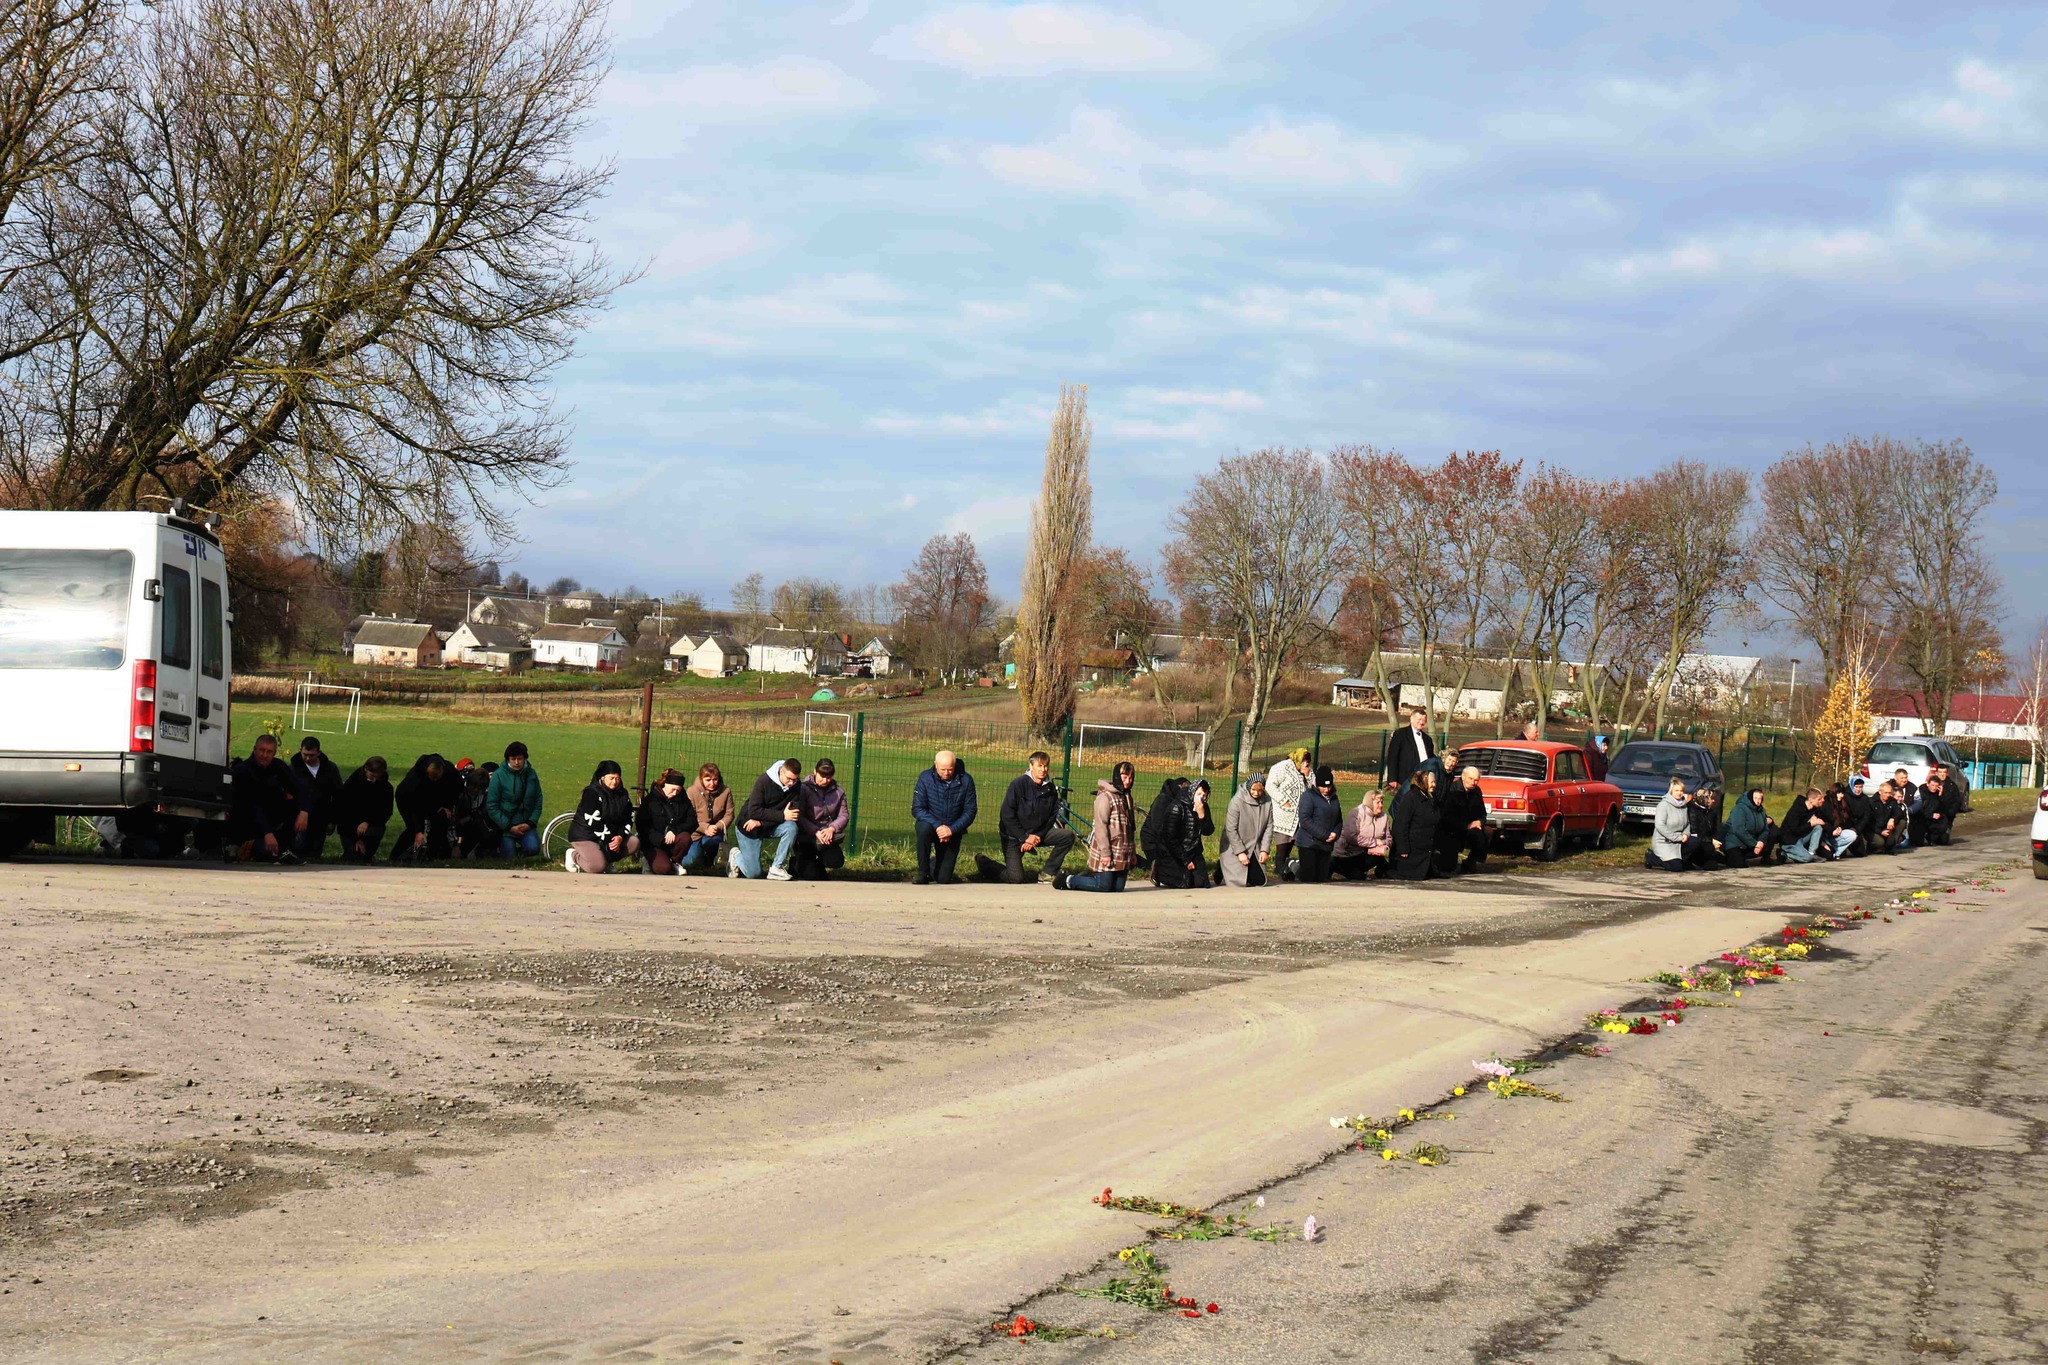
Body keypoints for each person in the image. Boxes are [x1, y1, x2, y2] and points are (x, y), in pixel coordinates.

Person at [977, 751, 1076, 885]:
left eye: (1046, 766)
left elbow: (1051, 817)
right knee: (1015, 878)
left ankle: (1048, 873)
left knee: (1067, 836)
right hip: (1013, 836)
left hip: (1037, 835)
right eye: (1039, 766)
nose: (1043, 769)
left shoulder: (1050, 789)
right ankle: (985, 864)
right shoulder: (1018, 784)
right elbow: (1007, 815)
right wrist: (1024, 837)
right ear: (1031, 766)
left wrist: (1037, 836)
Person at [228, 734, 310, 864]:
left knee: (297, 805)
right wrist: (267, 833)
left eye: (269, 752)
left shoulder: (278, 766)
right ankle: (243, 847)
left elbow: (301, 789)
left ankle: (283, 848)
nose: (264, 755)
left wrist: (304, 811)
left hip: (272, 821)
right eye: (262, 750)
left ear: (274, 753)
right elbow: (250, 805)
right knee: (264, 852)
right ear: (254, 749)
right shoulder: (242, 771)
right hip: (249, 823)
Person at [1061, 762, 1136, 892]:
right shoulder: (1105, 797)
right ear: (1117, 777)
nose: (1128, 781)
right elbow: (1100, 827)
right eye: (1124, 777)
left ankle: (1087, 877)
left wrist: (1132, 852)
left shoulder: (1127, 797)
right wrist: (1105, 853)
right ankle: (1069, 880)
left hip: (1122, 850)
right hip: (1107, 848)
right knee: (1104, 886)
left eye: (1130, 778)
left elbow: (1131, 827)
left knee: (1118, 888)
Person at [911, 750, 977, 885]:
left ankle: (935, 864)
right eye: (943, 769)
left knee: (943, 879)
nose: (946, 773)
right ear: (936, 765)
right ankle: (923, 872)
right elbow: (917, 808)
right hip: (931, 825)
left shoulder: (966, 780)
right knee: (923, 828)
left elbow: (970, 811)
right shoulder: (925, 778)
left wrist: (951, 830)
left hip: (953, 829)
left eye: (950, 769)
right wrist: (938, 826)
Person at [733, 758, 801, 881]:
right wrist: (781, 816)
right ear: (781, 771)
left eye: (795, 779)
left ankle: (777, 867)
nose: (792, 782)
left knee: (791, 827)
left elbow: (792, 815)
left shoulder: (796, 785)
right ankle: (735, 855)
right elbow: (754, 811)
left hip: (765, 824)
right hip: (749, 826)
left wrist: (761, 822)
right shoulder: (763, 781)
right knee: (753, 873)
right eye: (789, 779)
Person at [567, 759, 638, 873]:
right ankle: (573, 855)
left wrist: (620, 837)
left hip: (610, 837)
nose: (615, 782)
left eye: (617, 778)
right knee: (597, 867)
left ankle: (606, 862)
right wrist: (611, 840)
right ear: (602, 777)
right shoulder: (591, 793)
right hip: (585, 835)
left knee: (634, 842)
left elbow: (628, 817)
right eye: (611, 778)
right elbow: (593, 821)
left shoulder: (623, 794)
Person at [1143, 777, 1212, 889]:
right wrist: (1186, 861)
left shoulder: (1204, 807)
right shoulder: (1177, 806)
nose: (1201, 798)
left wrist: (1202, 816)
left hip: (1192, 849)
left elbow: (1208, 831)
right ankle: (1159, 871)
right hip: (1172, 851)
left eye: (1204, 796)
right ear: (1192, 792)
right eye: (1199, 794)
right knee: (1183, 882)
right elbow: (1170, 838)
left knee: (1201, 882)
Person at [393, 753, 460, 863]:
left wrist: (447, 805)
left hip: (435, 800)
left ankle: (432, 854)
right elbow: (414, 807)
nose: (435, 780)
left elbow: (457, 789)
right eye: (432, 778)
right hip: (409, 801)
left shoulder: (450, 772)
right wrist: (418, 830)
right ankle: (396, 856)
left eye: (437, 778)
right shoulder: (414, 780)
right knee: (412, 829)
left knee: (442, 820)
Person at [636, 768, 701, 875]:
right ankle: (649, 861)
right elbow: (642, 825)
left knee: (685, 838)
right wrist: (660, 839)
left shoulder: (684, 801)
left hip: (674, 840)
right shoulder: (650, 800)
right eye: (673, 789)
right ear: (664, 784)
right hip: (654, 843)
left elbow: (692, 822)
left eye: (678, 790)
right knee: (663, 869)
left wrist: (674, 830)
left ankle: (675, 861)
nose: (675, 793)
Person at [793, 758, 849, 880]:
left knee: (836, 861)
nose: (825, 780)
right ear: (815, 772)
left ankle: (818, 866)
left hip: (827, 836)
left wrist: (832, 829)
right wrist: (815, 831)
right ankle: (796, 863)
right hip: (807, 836)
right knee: (810, 874)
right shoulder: (803, 789)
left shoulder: (839, 792)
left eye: (828, 777)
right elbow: (799, 816)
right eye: (822, 776)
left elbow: (844, 815)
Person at [486, 741, 544, 859]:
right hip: (506, 826)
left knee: (533, 848)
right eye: (513, 759)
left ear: (525, 759)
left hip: (526, 824)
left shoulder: (532, 775)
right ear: (508, 759)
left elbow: (538, 799)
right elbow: (492, 805)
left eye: (519, 759)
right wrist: (508, 827)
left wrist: (530, 822)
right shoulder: (498, 776)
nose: (516, 762)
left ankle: (519, 852)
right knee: (509, 857)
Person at [289, 736, 342, 860]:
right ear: (300, 751)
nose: (308, 758)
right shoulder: (293, 769)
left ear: (319, 752)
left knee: (314, 854)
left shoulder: (330, 769)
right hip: (299, 817)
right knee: (298, 849)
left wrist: (333, 819)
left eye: (311, 755)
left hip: (321, 817)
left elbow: (338, 795)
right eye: (305, 755)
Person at [1434, 761, 1490, 876]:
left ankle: (1471, 861)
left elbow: (1482, 813)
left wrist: (1479, 822)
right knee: (1449, 867)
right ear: (1463, 777)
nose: (1473, 782)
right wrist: (1466, 826)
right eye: (1471, 778)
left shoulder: (1476, 791)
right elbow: (1447, 816)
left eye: (1476, 780)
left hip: (1470, 826)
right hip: (1452, 829)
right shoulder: (1453, 790)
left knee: (1487, 832)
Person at [1218, 775, 1273, 887]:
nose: (1256, 793)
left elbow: (1269, 827)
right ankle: (1221, 866)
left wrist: (1264, 850)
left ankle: (1222, 867)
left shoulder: (1268, 801)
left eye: (1260, 790)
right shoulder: (1236, 801)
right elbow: (1231, 829)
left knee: (1259, 881)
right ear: (1248, 787)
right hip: (1235, 845)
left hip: (1255, 847)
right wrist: (1240, 852)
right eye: (1253, 789)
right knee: (1239, 882)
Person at [1264, 749, 1311, 881]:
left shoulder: (1308, 771)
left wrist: (1307, 776)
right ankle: (1280, 868)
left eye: (1308, 762)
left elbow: (1313, 787)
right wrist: (1283, 800)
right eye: (1304, 761)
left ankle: (1287, 867)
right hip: (1284, 812)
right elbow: (1270, 785)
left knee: (1295, 841)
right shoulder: (1281, 767)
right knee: (1283, 843)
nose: (1306, 764)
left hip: (1300, 815)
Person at [336, 757, 393, 864]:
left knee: (367, 851)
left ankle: (368, 854)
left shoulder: (386, 787)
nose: (374, 779)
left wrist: (368, 822)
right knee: (355, 858)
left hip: (372, 826)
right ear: (366, 769)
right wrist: (355, 838)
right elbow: (344, 812)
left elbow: (385, 811)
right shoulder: (352, 784)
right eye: (372, 775)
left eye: (377, 776)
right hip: (349, 827)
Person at [1293, 766, 1342, 883]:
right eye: (1323, 787)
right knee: (1309, 878)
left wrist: (1336, 833)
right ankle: (1292, 865)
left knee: (1321, 878)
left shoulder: (1334, 798)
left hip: (1326, 845)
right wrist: (1324, 835)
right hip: (1309, 843)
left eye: (1329, 786)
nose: (1327, 789)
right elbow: (1304, 819)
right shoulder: (1308, 796)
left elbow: (1339, 819)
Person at [1331, 787, 1393, 880]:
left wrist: (1383, 845)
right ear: (1370, 803)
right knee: (1357, 876)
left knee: (1382, 862)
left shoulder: (1384, 817)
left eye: (1382, 802)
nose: (1381, 805)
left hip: (1368, 853)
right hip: (1348, 854)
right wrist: (1375, 842)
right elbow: (1351, 837)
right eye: (1377, 803)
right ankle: (1334, 866)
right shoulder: (1356, 813)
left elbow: (1389, 839)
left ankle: (1380, 872)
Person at [682, 763, 734, 872]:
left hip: (715, 832)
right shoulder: (691, 792)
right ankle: (699, 858)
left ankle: (711, 860)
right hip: (695, 832)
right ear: (701, 779)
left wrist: (717, 826)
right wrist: (705, 828)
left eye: (715, 779)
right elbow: (688, 816)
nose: (712, 783)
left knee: (709, 842)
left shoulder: (726, 791)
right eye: (708, 780)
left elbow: (729, 814)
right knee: (690, 862)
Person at [1391, 770, 1439, 880]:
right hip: (1412, 850)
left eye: (1435, 782)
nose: (1434, 785)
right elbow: (1401, 825)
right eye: (1432, 782)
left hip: (1425, 850)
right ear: (1423, 782)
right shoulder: (1410, 798)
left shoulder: (1431, 798)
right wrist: (1403, 848)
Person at [1384, 710, 1438, 799]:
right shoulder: (1400, 734)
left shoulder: (1427, 739)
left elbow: (1431, 758)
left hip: (1423, 780)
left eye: (1424, 720)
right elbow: (1392, 756)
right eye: (1419, 719)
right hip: (1405, 779)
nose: (1421, 722)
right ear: (1412, 719)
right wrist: (1392, 778)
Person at [1719, 788, 1778, 868]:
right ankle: (1719, 857)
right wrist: (1754, 844)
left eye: (1760, 799)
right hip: (1734, 842)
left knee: (1767, 844)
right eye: (1755, 798)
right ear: (1750, 798)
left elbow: (1765, 828)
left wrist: (1761, 842)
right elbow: (1739, 829)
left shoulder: (1761, 810)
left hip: (1749, 842)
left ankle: (1760, 858)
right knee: (1738, 864)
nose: (1758, 801)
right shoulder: (1740, 808)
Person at [1646, 776, 1691, 872]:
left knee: (1696, 842)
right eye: (1676, 790)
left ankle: (1682, 860)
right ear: (1671, 791)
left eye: (1681, 791)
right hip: (1664, 842)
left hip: (1679, 841)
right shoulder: (1663, 805)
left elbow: (1687, 823)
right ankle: (1652, 858)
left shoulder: (1684, 805)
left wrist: (1686, 834)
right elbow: (1660, 825)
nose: (1679, 793)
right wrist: (1677, 837)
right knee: (1676, 867)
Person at [454, 764, 497, 858]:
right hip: (464, 829)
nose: (475, 790)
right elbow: (457, 820)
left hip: (481, 828)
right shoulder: (462, 796)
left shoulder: (486, 796)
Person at [1779, 788, 1828, 864]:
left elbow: (1820, 822)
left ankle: (1812, 853)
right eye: (1819, 799)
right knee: (1807, 858)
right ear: (1811, 799)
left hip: (1801, 838)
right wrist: (1811, 824)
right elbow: (1795, 830)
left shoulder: (1814, 809)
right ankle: (1784, 854)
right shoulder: (1796, 810)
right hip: (1790, 841)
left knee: (1818, 827)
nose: (1822, 800)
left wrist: (1818, 823)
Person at [1872, 780, 1908, 855]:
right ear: (1880, 792)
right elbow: (1868, 822)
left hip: (1888, 827)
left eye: (1889, 793)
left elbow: (1899, 812)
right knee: (1880, 842)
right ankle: (1875, 848)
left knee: (1902, 822)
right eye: (1886, 793)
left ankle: (1891, 847)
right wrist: (1880, 831)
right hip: (1875, 829)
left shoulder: (1892, 801)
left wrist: (1893, 819)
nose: (1888, 795)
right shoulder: (1872, 802)